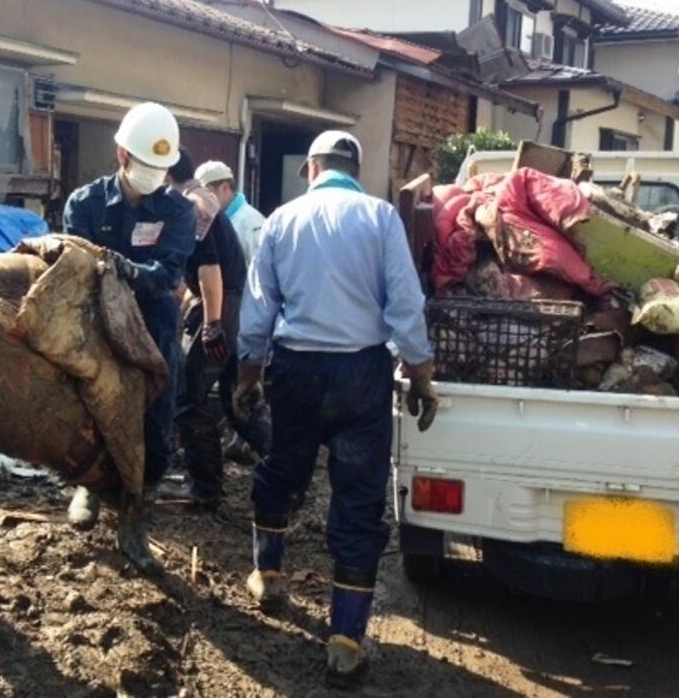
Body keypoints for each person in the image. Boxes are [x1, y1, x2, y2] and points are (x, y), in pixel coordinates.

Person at [234, 130, 438, 685]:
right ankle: (345, 641)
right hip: (360, 375)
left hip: (296, 371)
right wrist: (421, 375)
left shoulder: (281, 220)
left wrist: (248, 375)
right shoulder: (379, 217)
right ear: (356, 167)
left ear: (312, 167)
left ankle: (268, 576)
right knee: (357, 497)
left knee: (282, 469)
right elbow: (405, 301)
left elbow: (258, 309)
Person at [63, 102, 196, 576]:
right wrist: (103, 274)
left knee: (157, 425)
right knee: (91, 410)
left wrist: (124, 269)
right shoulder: (85, 203)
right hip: (96, 325)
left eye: (162, 169)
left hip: (154, 325)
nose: (153, 176)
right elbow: (72, 266)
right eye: (145, 166)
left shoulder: (178, 210)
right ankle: (91, 487)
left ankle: (136, 513)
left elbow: (169, 272)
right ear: (121, 155)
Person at [166, 148, 255, 510]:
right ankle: (285, 472)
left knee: (187, 398)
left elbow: (209, 268)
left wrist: (211, 324)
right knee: (237, 397)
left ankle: (205, 488)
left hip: (222, 307)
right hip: (234, 306)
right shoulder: (200, 197)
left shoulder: (191, 205)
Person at [194, 160, 265, 265]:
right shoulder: (210, 220)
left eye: (207, 192)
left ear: (225, 187)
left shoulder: (251, 223)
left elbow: (260, 271)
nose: (201, 198)